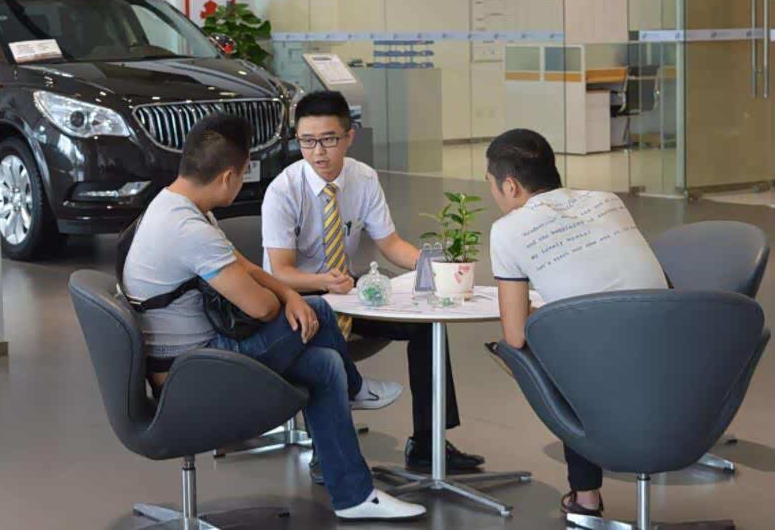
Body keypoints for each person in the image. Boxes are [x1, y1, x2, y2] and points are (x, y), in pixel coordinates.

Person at [122, 113, 425, 521]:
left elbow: (243, 265)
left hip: (195, 357)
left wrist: (288, 292)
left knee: (325, 364)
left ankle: (354, 497)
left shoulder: (177, 204)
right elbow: (260, 308)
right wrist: (290, 300)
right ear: (229, 177)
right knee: (320, 308)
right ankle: (355, 391)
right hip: (192, 371)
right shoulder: (187, 228)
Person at [261, 90, 485, 482]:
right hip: (298, 298)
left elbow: (391, 244)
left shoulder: (363, 178)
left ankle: (429, 442)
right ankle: (329, 452)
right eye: (307, 141)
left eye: (328, 139)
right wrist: (321, 282)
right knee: (319, 323)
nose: (318, 152)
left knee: (426, 326)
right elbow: (279, 271)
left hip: (346, 292)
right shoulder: (284, 190)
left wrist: (435, 264)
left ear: (349, 136)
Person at [485, 128, 668, 519]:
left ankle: (586, 498)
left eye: (492, 185)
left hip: (603, 371)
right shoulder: (608, 199)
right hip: (675, 352)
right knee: (580, 339)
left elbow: (515, 335)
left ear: (510, 185)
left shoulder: (506, 230)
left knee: (552, 352)